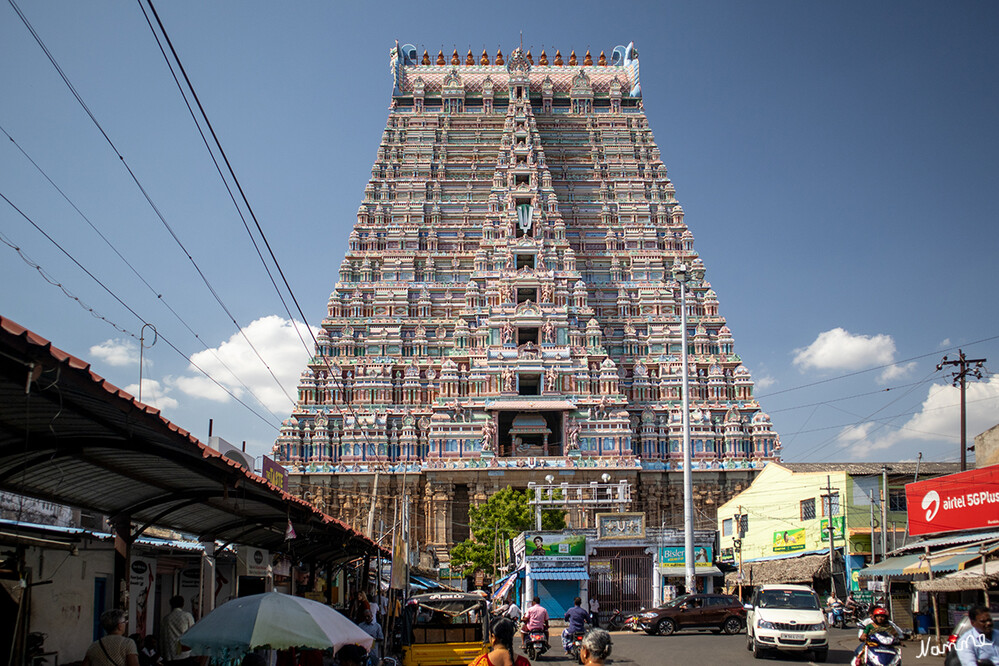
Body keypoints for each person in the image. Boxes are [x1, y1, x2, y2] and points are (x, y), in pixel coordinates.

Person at [161, 595, 195, 666]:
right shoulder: (187, 616)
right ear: (182, 604)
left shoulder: (166, 619)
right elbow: (193, 633)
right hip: (185, 654)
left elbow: (162, 637)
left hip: (170, 655)